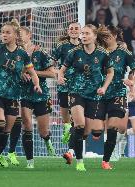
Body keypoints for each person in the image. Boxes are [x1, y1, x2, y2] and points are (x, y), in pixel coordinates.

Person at [0, 6, 42, 172]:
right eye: (2, 32)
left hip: (13, 96)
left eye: (7, 32)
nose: (3, 35)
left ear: (15, 35)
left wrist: (37, 84)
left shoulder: (22, 54)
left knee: (6, 131)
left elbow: (32, 72)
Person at [57, 24, 114, 171]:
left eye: (87, 33)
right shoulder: (74, 52)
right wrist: (60, 77)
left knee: (86, 131)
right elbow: (62, 70)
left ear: (94, 36)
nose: (83, 36)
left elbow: (110, 73)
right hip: (76, 92)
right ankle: (79, 161)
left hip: (94, 95)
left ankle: (71, 150)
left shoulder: (102, 53)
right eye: (82, 33)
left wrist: (104, 87)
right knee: (80, 124)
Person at [102, 25, 135, 169]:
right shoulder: (98, 50)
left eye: (108, 35)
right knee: (93, 129)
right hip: (99, 93)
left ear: (114, 36)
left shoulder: (124, 54)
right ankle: (74, 150)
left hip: (120, 94)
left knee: (119, 127)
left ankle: (110, 155)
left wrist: (132, 84)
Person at [18, 26, 56, 168]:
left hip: (40, 94)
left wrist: (33, 73)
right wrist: (19, 74)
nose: (19, 38)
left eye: (21, 34)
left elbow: (52, 74)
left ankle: (47, 140)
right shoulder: (16, 53)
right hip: (23, 94)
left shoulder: (41, 52)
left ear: (29, 35)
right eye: (17, 35)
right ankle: (30, 161)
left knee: (43, 131)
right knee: (26, 124)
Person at [52, 22, 81, 165]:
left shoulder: (86, 45)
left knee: (77, 121)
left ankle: (71, 151)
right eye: (71, 29)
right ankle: (66, 128)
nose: (74, 31)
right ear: (68, 32)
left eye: (76, 28)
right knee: (66, 120)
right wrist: (58, 74)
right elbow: (50, 63)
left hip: (80, 88)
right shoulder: (62, 46)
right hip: (64, 87)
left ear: (81, 31)